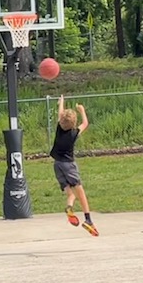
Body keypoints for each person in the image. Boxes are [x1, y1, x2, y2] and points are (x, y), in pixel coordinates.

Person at [49, 95, 99, 237]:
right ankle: (88, 220)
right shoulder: (73, 133)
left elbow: (60, 114)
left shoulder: (59, 128)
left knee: (71, 193)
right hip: (69, 166)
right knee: (80, 192)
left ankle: (69, 208)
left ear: (61, 121)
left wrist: (61, 101)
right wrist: (81, 110)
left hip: (57, 165)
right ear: (73, 123)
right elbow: (85, 123)